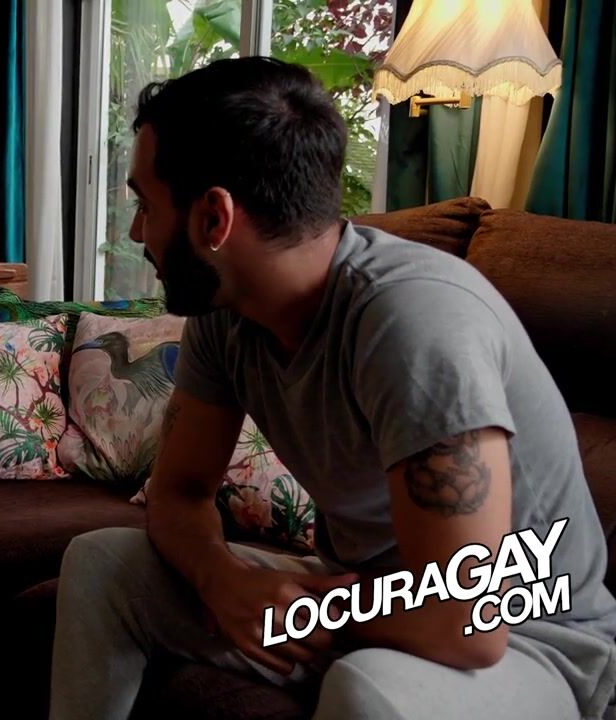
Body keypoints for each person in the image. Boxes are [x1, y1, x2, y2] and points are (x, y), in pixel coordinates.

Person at [49, 57, 616, 720]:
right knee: (100, 565)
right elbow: (179, 493)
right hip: (366, 599)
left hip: (528, 640)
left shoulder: (416, 324)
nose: (135, 232)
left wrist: (297, 611)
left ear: (213, 219)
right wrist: (223, 580)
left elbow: (467, 622)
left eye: (146, 206)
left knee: (366, 687)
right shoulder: (225, 312)